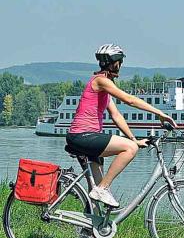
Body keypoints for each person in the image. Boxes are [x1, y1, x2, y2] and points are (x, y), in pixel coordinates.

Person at [66, 43, 177, 208]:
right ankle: (103, 188)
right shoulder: (100, 81)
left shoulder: (103, 86)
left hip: (84, 138)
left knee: (96, 196)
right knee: (129, 150)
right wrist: (160, 113)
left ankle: (89, 231)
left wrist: (134, 139)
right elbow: (129, 100)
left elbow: (116, 115)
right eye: (120, 62)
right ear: (115, 63)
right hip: (83, 136)